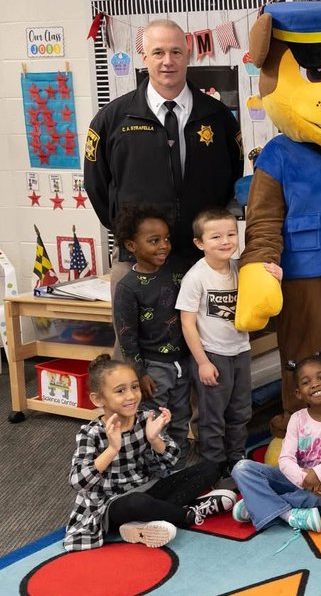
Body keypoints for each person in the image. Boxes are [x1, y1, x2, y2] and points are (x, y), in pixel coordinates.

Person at [84, 19, 242, 272]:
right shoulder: (112, 119)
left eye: (176, 52)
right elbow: (96, 185)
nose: (168, 61)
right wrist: (130, 233)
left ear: (188, 55)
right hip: (137, 258)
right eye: (158, 52)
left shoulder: (218, 116)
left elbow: (233, 174)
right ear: (144, 57)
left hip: (202, 256)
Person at [64, 355, 232, 551]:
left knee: (212, 467)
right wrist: (112, 449)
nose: (131, 396)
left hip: (147, 489)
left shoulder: (146, 419)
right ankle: (189, 514)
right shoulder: (91, 433)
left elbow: (171, 462)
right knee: (137, 503)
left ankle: (145, 521)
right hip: (112, 504)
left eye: (134, 387)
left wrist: (154, 440)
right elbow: (77, 482)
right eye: (120, 391)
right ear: (98, 399)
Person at [177, 208, 281, 477]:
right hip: (212, 355)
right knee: (213, 415)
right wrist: (202, 362)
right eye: (216, 237)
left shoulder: (241, 269)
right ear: (199, 243)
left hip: (240, 352)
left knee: (241, 410)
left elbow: (264, 298)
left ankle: (236, 459)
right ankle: (212, 463)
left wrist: (276, 278)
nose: (226, 241)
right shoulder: (195, 277)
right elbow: (187, 323)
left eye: (231, 234)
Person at [230, 350, 321, 535]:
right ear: (299, 393)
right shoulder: (297, 419)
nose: (314, 384)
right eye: (306, 382)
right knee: (241, 468)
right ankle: (289, 515)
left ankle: (257, 505)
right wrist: (303, 479)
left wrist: (318, 474)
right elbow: (285, 460)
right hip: (295, 479)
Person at [111, 203, 189, 452]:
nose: (163, 245)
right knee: (153, 419)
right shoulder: (128, 287)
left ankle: (178, 459)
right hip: (154, 368)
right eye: (154, 241)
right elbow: (127, 337)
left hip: (182, 362)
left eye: (166, 239)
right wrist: (139, 373)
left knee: (181, 415)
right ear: (131, 246)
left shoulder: (177, 272)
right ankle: (155, 463)